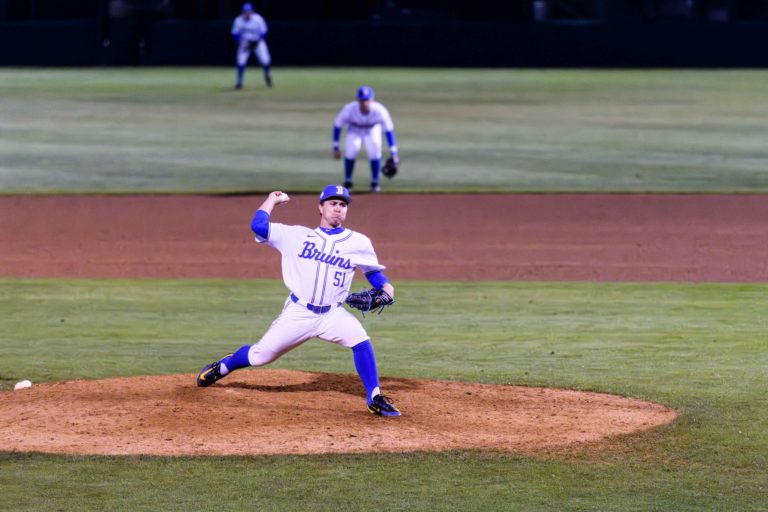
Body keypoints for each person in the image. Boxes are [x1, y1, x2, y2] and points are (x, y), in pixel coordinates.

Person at [196, 185, 401, 417]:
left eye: (343, 205)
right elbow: (258, 226)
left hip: (332, 314)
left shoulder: (359, 242)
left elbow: (373, 272)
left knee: (361, 340)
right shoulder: (296, 236)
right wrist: (271, 200)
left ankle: (374, 397)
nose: (338, 209)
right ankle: (225, 365)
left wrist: (387, 288)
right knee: (260, 356)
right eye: (333, 203)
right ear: (320, 208)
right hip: (299, 312)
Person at [332, 86, 399, 193]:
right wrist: (335, 146)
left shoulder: (380, 111)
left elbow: (389, 130)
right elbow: (337, 125)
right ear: (358, 100)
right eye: (362, 100)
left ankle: (375, 182)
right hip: (354, 130)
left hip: (372, 130)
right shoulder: (349, 109)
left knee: (375, 151)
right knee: (351, 150)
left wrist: (394, 153)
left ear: (372, 100)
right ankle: (348, 181)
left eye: (367, 100)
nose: (364, 103)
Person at [231, 3, 272, 89]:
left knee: (265, 60)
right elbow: (235, 33)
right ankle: (239, 82)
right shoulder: (238, 20)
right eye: (245, 11)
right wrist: (240, 41)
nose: (247, 13)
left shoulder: (258, 19)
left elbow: (264, 31)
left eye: (248, 11)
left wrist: (258, 40)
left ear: (252, 11)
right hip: (245, 43)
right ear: (242, 12)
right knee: (241, 62)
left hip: (258, 42)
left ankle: (267, 76)